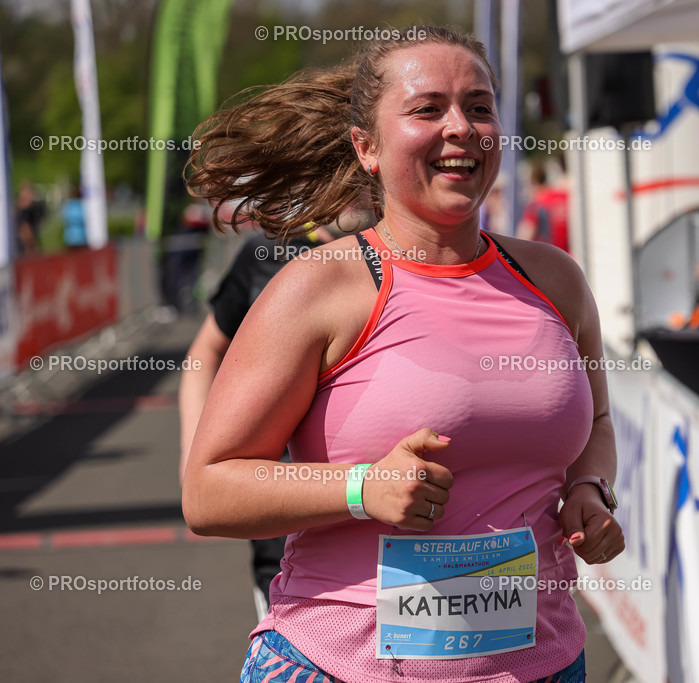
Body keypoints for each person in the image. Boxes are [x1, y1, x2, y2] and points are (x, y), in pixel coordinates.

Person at [182, 26, 622, 683]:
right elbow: (209, 489)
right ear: (367, 148)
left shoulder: (555, 281)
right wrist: (362, 486)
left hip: (545, 663)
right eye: (427, 109)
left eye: (479, 106)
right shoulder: (317, 288)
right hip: (342, 666)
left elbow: (597, 423)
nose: (462, 128)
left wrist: (590, 488)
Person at [178, 213, 370, 619]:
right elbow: (205, 351)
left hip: (393, 521)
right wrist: (193, 453)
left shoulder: (419, 256)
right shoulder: (269, 254)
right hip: (282, 520)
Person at [516, 160, 570, 253]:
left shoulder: (535, 205)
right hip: (570, 259)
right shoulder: (564, 196)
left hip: (548, 260)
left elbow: (522, 242)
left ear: (533, 182)